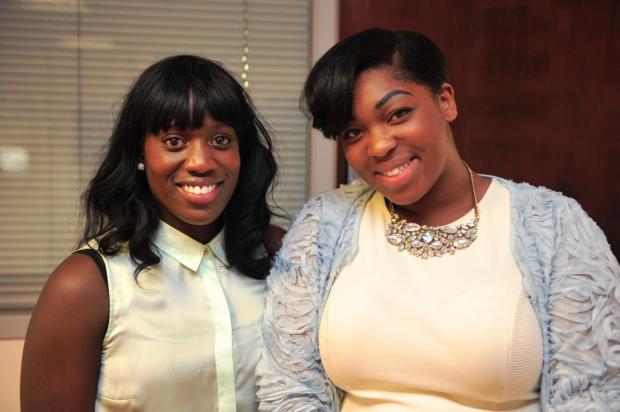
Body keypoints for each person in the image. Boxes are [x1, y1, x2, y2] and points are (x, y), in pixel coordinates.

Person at [257, 28, 620, 411]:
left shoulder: (556, 226)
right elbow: (290, 387)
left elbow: (593, 395)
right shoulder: (321, 227)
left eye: (398, 114)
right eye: (353, 132)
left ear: (445, 101)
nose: (379, 146)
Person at [21, 54, 284, 411]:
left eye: (221, 139)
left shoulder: (280, 255)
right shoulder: (85, 286)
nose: (201, 162)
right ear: (140, 154)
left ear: (242, 152)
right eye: (174, 141)